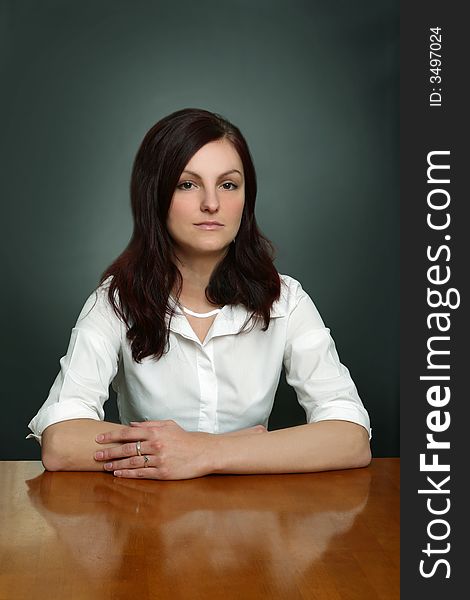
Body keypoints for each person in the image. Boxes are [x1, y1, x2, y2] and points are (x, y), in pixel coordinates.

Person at [27, 108, 372, 480]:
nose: (212, 203)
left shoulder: (286, 300)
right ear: (155, 195)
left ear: (246, 198)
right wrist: (169, 453)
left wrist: (205, 452)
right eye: (187, 184)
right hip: (147, 522)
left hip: (254, 522)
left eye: (228, 184)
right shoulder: (116, 300)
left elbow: (350, 437)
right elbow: (61, 442)